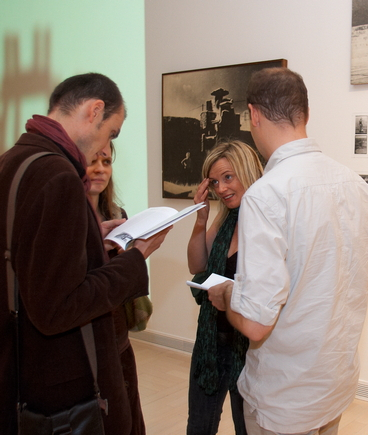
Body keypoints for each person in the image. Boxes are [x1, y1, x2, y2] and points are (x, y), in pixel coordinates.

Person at [208, 67, 368, 435]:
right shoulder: (359, 187)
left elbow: (255, 323)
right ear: (306, 114)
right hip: (335, 384)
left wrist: (226, 294)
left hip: (284, 396)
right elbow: (363, 279)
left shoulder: (266, 196)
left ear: (253, 115)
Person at [0, 73, 170, 434]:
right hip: (64, 388)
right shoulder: (58, 175)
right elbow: (58, 307)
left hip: (20, 370)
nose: (105, 146)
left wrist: (93, 237)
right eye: (111, 133)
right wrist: (136, 256)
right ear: (94, 111)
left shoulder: (12, 160)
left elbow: (29, 257)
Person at [186, 140, 263, 435]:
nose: (221, 188)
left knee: (247, 428)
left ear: (247, 171)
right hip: (211, 341)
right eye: (215, 182)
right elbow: (197, 265)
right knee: (199, 426)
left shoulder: (266, 223)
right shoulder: (225, 219)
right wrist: (200, 219)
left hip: (249, 347)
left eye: (228, 177)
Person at [86, 141, 146, 435]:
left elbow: (126, 282)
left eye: (106, 161)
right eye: (92, 160)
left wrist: (131, 258)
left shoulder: (117, 213)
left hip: (118, 332)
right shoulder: (69, 218)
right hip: (88, 334)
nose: (100, 169)